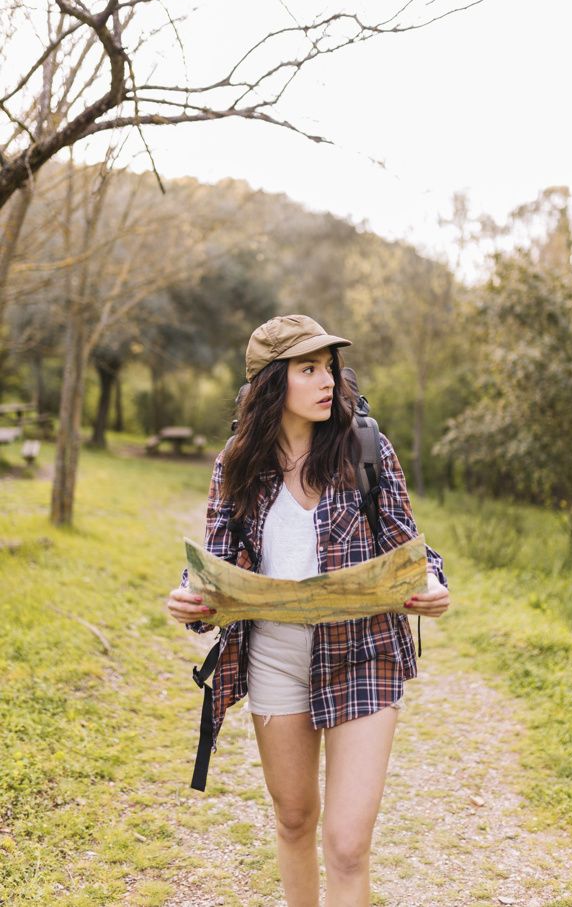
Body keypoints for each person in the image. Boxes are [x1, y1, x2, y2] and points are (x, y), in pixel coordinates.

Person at [167, 314, 450, 907]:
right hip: (274, 658)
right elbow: (216, 566)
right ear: (273, 383)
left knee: (347, 845)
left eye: (328, 368)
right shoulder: (237, 463)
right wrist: (191, 598)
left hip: (364, 654)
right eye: (308, 369)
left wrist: (432, 583)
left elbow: (408, 544)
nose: (328, 382)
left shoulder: (366, 448)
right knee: (294, 821)